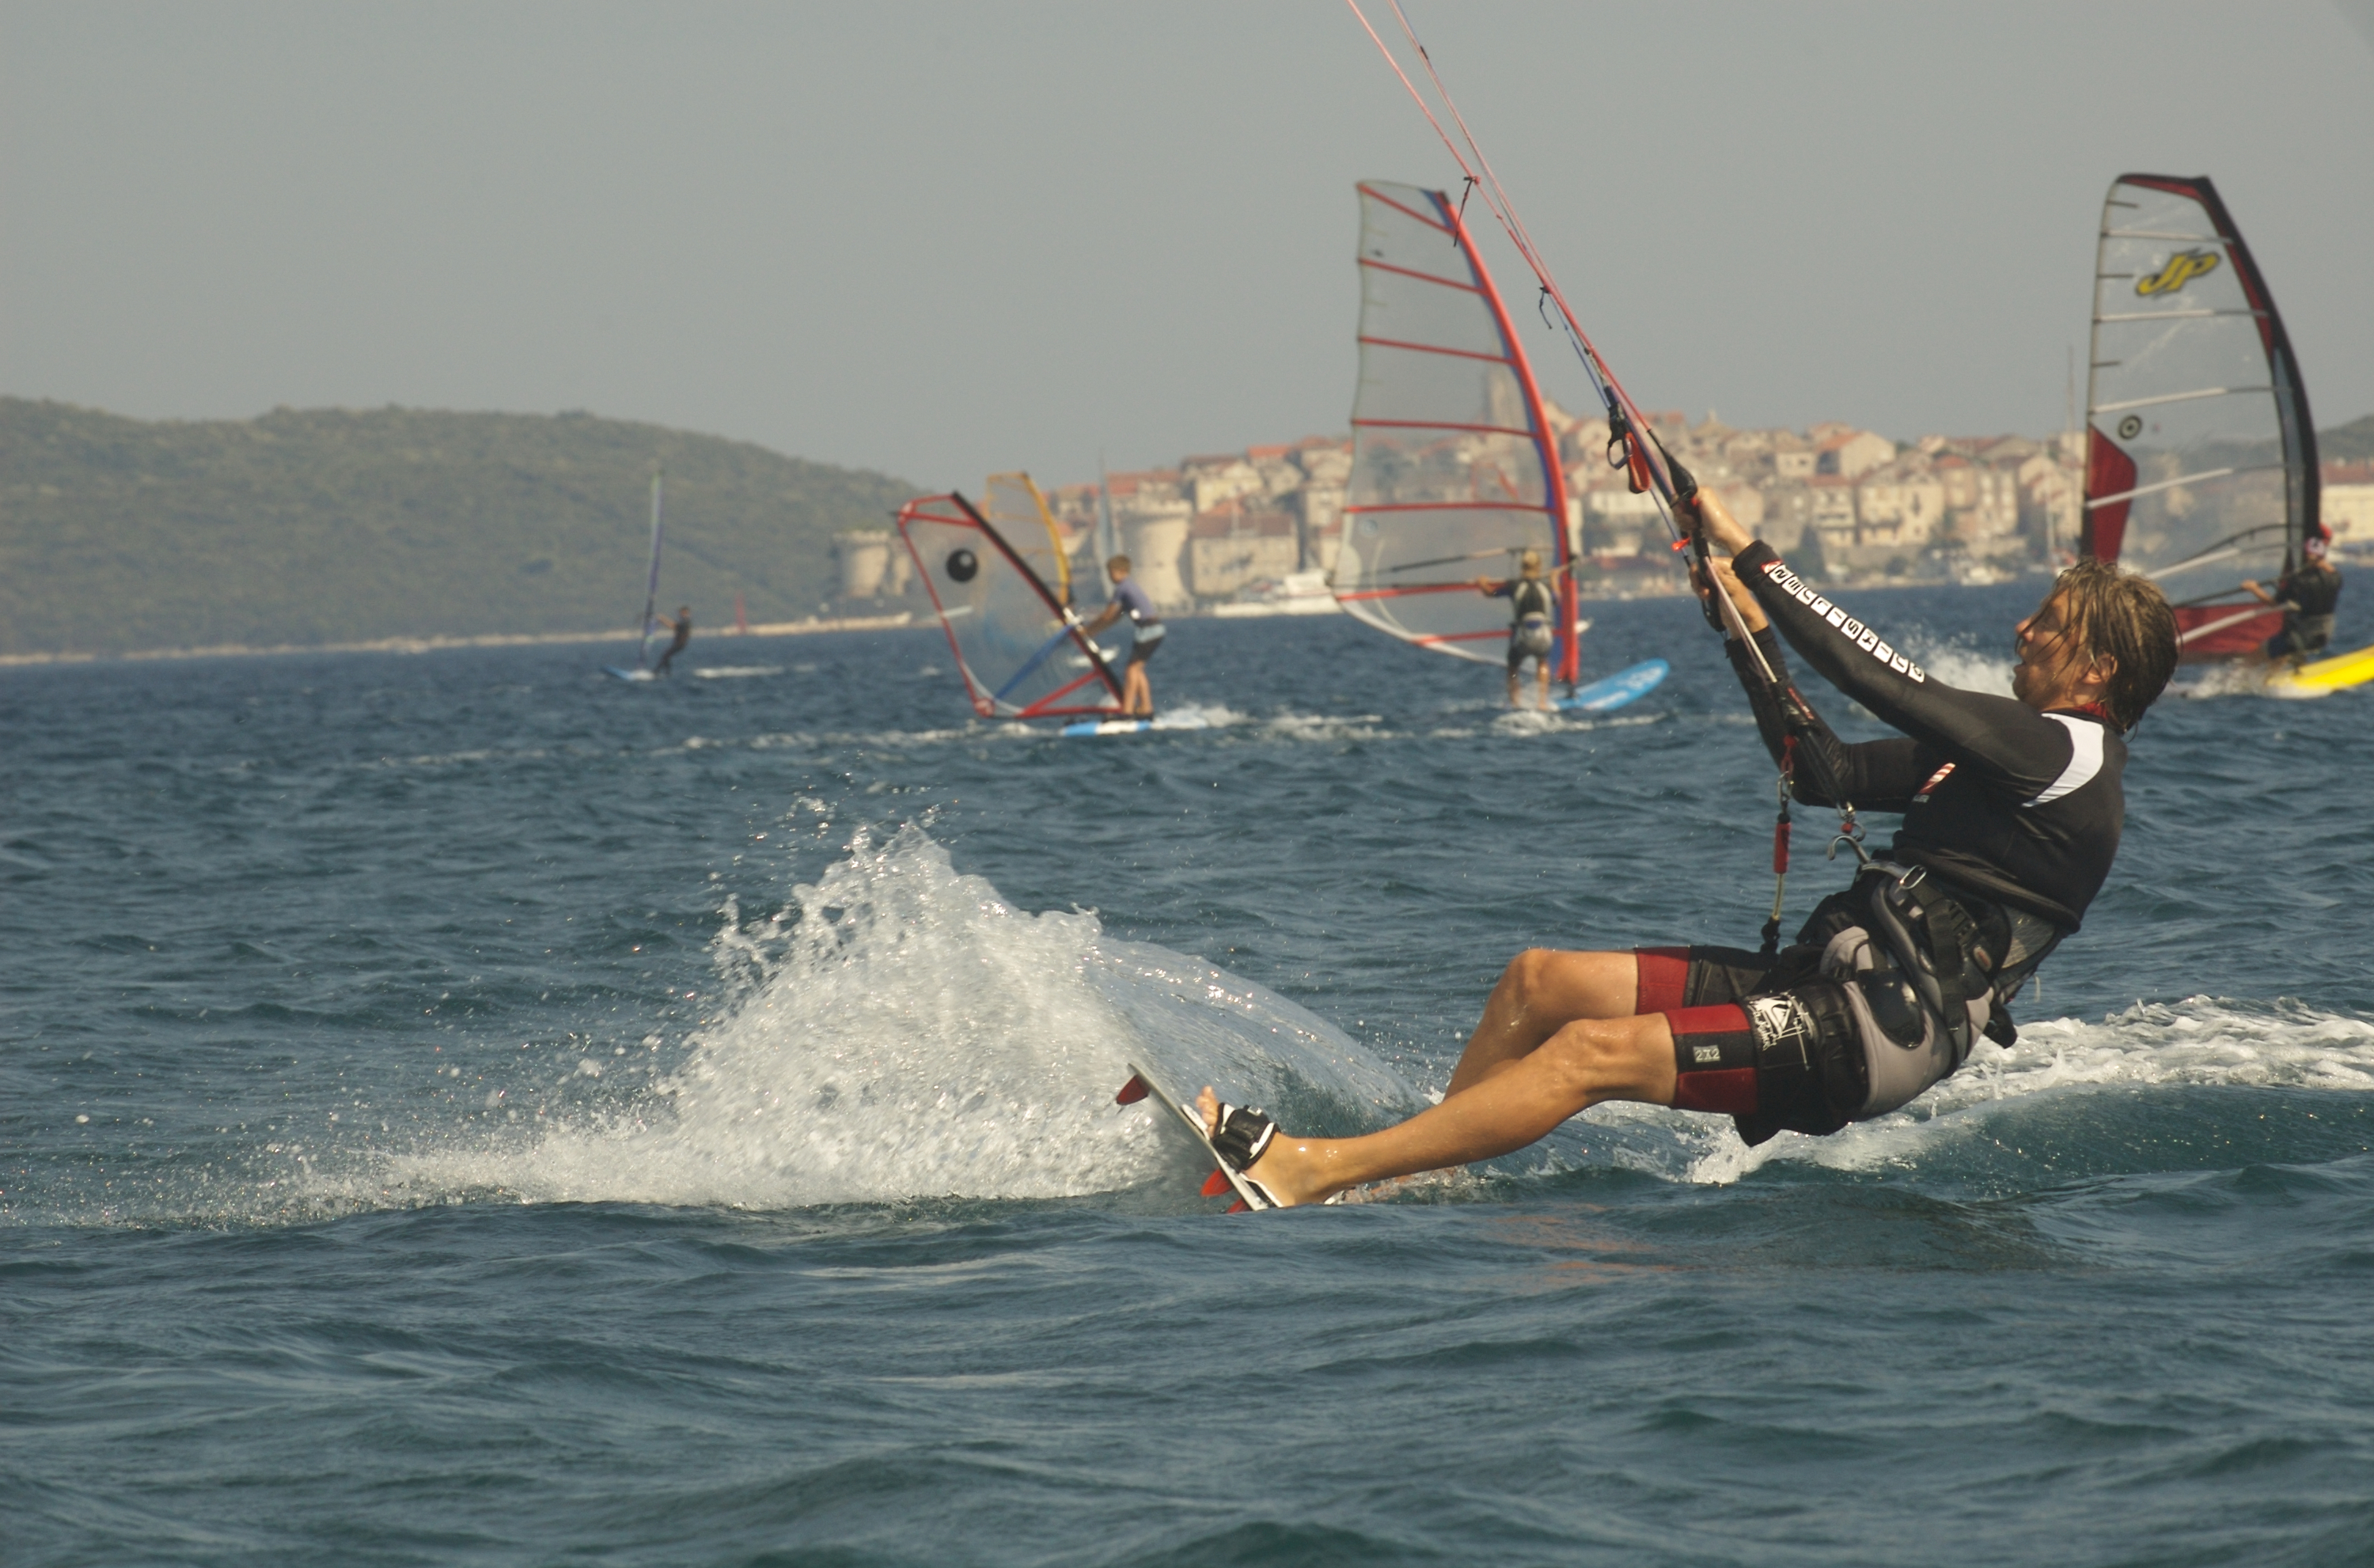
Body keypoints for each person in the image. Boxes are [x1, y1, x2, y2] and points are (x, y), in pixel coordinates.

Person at [1191, 488, 2179, 1208]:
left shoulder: (2069, 755)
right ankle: (1431, 1166)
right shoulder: (2011, 755)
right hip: (1827, 981)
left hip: (1875, 1034)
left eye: (2047, 625)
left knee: (1586, 1054)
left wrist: (1750, 549)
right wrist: (1750, 634)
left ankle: (1317, 1169)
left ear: (2096, 667)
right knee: (1539, 982)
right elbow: (1819, 770)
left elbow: (1889, 680)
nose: (2023, 626)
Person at [1475, 549, 1567, 710]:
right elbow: (1557, 599)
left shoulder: (1514, 586)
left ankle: (1515, 703)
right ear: (1539, 567)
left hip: (1522, 639)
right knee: (1542, 662)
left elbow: (1490, 593)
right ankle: (1542, 702)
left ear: (1522, 567)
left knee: (1513, 668)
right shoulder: (1545, 587)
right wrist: (1553, 579)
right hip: (1543, 639)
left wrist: (1482, 582)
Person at [2243, 529, 2342, 667]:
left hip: (2300, 638)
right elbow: (2329, 569)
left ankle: (2234, 682)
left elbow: (2273, 603)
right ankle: (2274, 679)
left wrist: (2254, 589)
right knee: (2282, 651)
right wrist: (2317, 559)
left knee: (2259, 653)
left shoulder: (2299, 581)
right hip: (2323, 637)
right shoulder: (2336, 578)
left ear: (2306, 556)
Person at [1081, 555, 1162, 718]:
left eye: (1111, 572)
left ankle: (1127, 711)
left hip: (1148, 630)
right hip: (1154, 630)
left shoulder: (1123, 588)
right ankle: (1147, 709)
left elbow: (1107, 615)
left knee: (1132, 669)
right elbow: (1115, 618)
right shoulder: (1128, 588)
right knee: (1137, 669)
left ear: (1122, 571)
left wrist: (1087, 630)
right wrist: (1092, 632)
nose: (1109, 576)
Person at [654, 605, 692, 676]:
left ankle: (658, 672)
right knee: (666, 656)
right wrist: (662, 619)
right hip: (678, 644)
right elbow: (674, 625)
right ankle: (664, 672)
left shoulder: (686, 622)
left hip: (680, 644)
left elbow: (672, 626)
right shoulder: (684, 622)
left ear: (686, 613)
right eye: (680, 613)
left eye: (682, 613)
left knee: (666, 656)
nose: (680, 614)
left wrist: (662, 619)